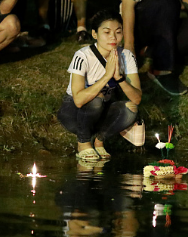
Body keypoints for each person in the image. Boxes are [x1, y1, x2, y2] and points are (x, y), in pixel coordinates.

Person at [57, 10, 142, 161]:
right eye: (107, 32)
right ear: (95, 34)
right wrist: (106, 76)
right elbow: (78, 100)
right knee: (96, 99)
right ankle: (83, 143)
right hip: (74, 112)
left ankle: (99, 140)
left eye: (118, 32)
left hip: (102, 111)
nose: (113, 37)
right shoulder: (83, 56)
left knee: (131, 108)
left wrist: (119, 78)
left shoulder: (127, 56)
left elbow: (136, 98)